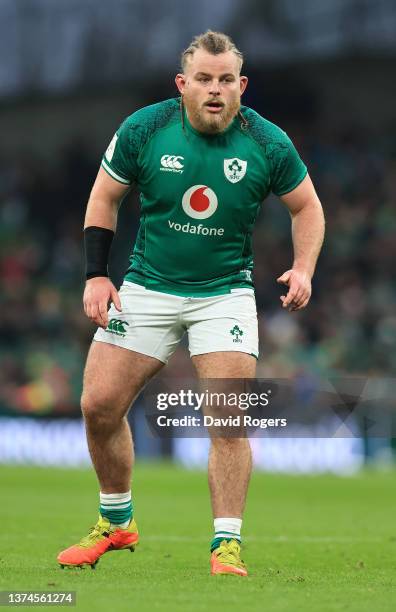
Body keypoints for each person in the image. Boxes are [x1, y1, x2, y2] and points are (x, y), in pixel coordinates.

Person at [57, 30, 325, 576]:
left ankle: (226, 545)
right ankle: (116, 521)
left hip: (224, 294)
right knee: (97, 405)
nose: (215, 89)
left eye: (226, 79)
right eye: (203, 79)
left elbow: (309, 208)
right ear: (183, 84)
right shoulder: (145, 127)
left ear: (241, 86)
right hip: (148, 286)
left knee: (227, 418)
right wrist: (94, 276)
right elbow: (105, 196)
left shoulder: (267, 142)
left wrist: (303, 268)